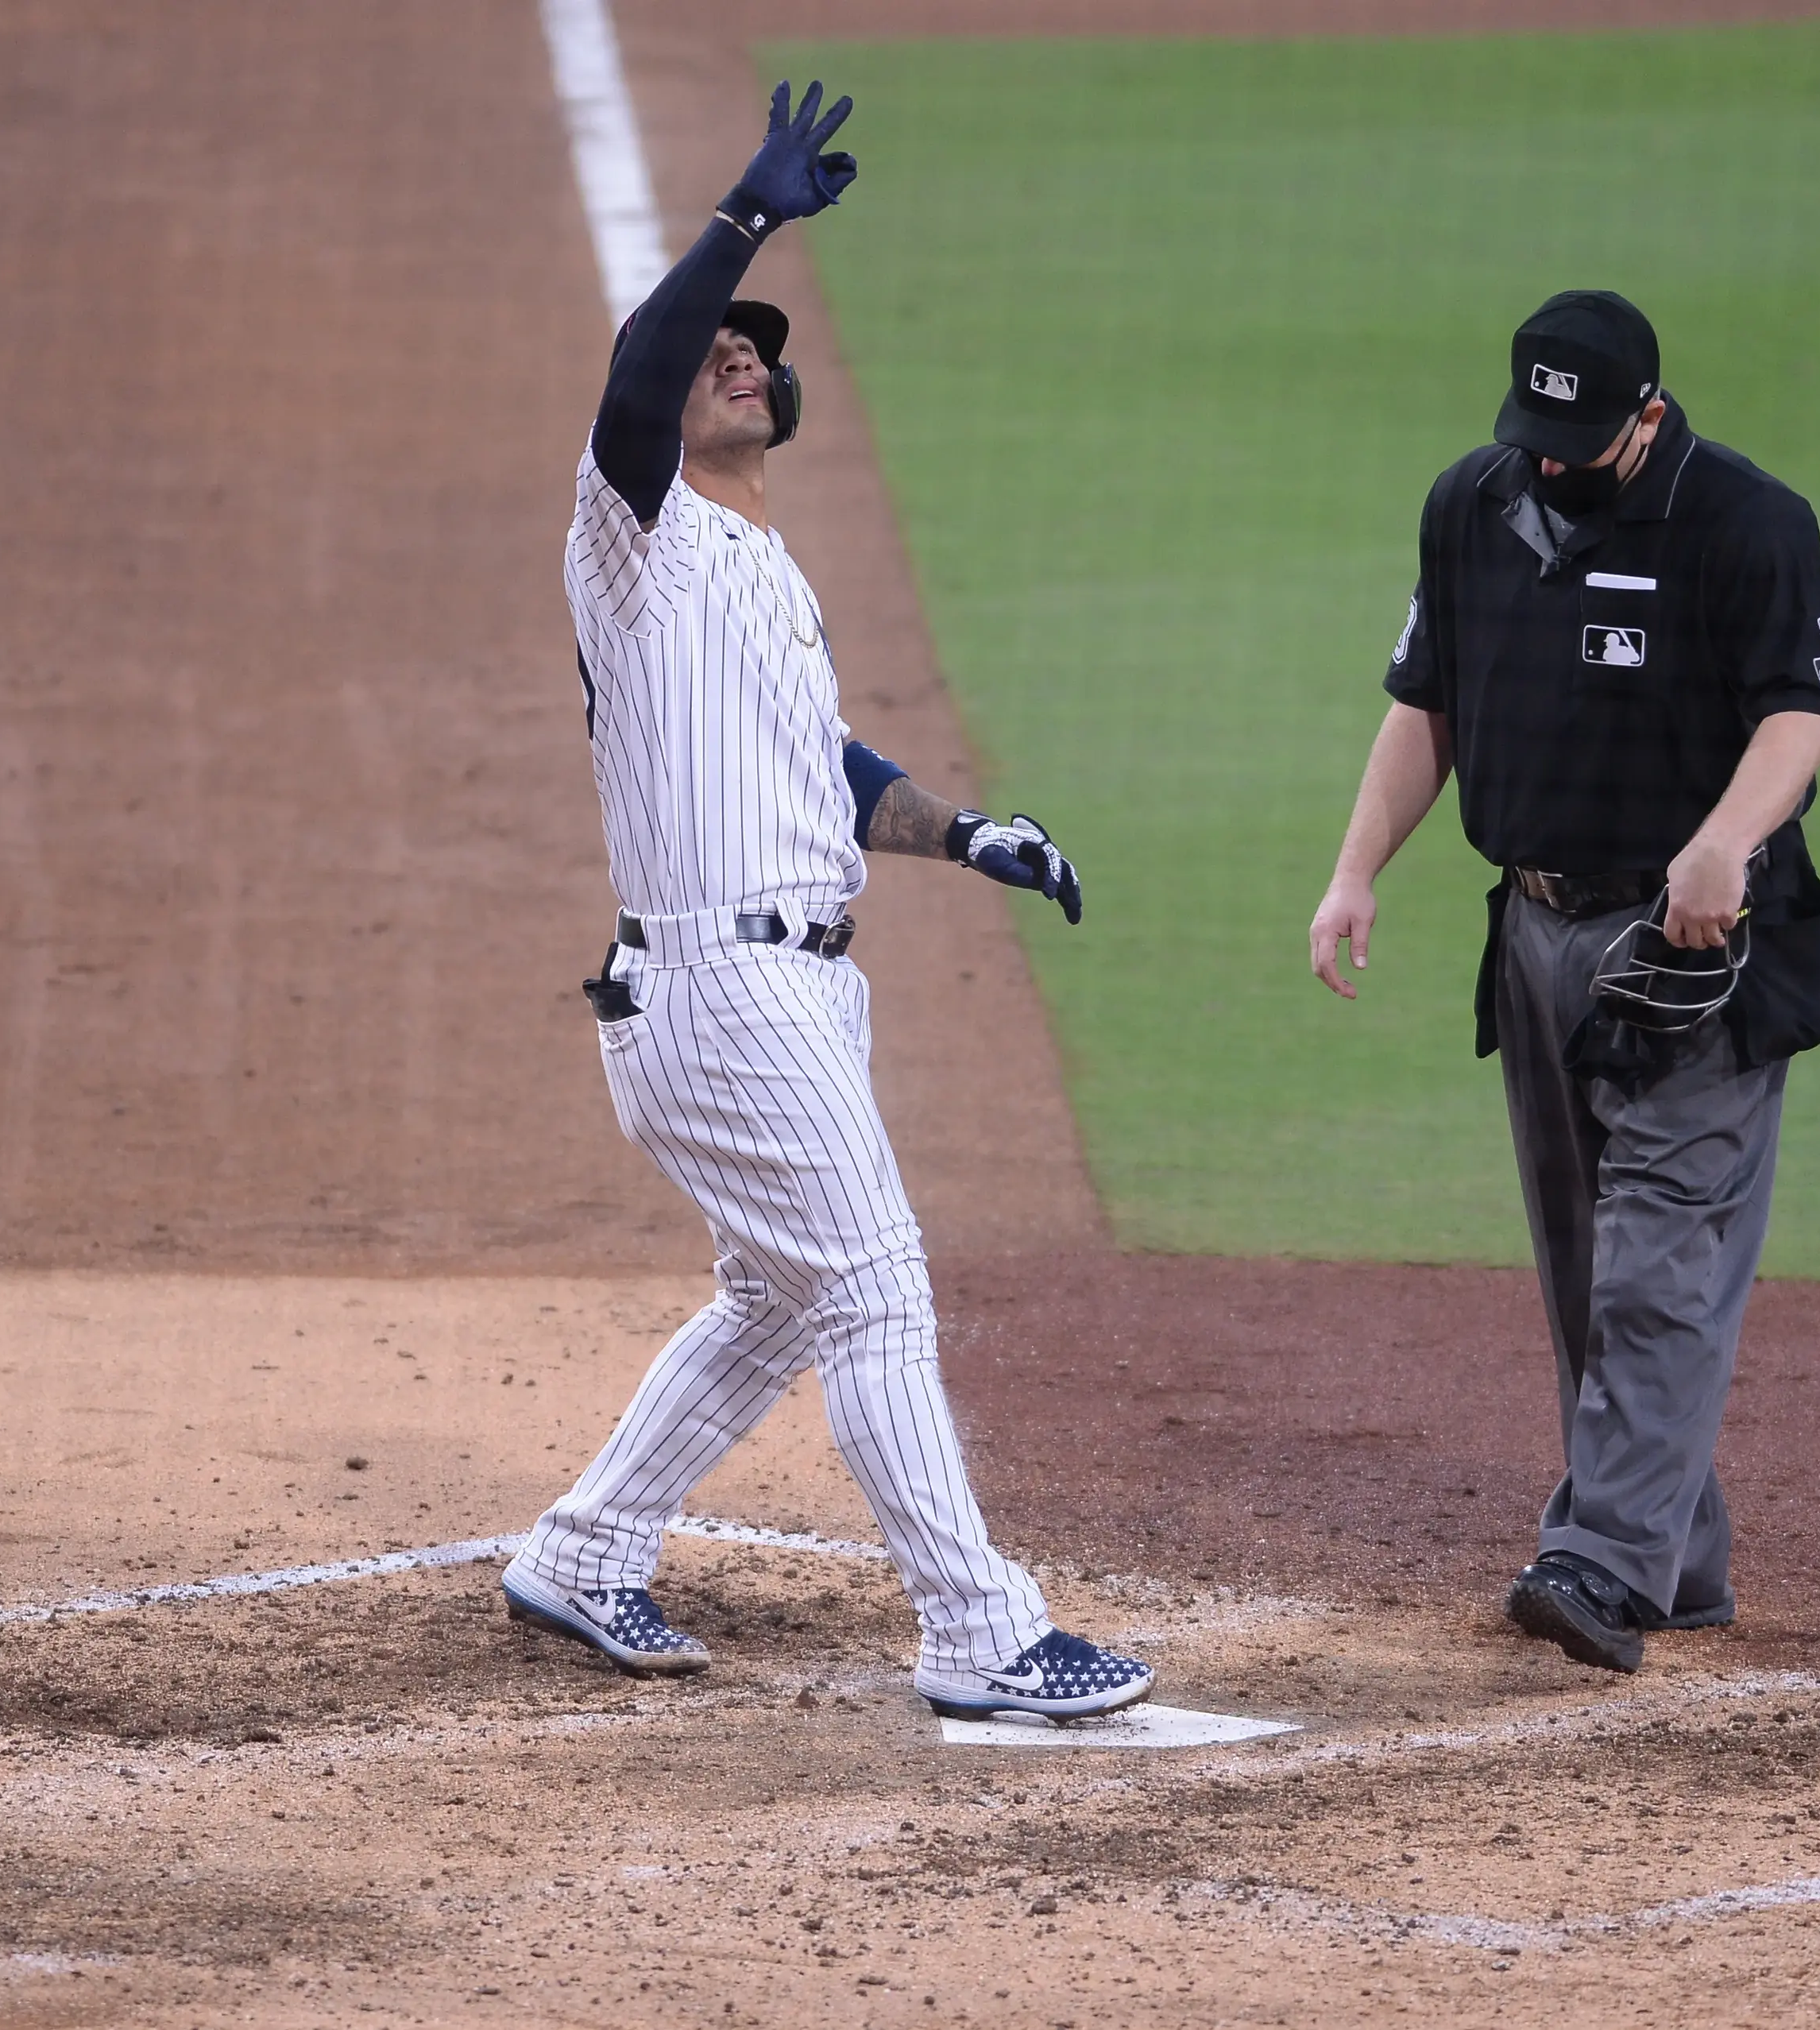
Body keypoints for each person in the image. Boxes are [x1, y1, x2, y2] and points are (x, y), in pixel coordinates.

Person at [503, 84, 1153, 1724]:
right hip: (728, 993)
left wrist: (969, 831)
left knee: (778, 1297)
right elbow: (632, 380)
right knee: (870, 1281)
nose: (739, 356)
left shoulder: (766, 575)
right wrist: (744, 217)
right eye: (719, 345)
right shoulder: (632, 532)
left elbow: (829, 767)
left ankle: (586, 1551)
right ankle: (978, 1630)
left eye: (757, 347)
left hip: (760, 990)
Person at [1308, 292, 1820, 1673]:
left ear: (1650, 415)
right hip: (1539, 937)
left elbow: (1802, 713)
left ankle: (1606, 1561)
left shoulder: (1747, 523)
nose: (1550, 459)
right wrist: (1355, 866)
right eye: (1534, 432)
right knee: (1583, 1263)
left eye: (1582, 435)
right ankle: (1672, 1555)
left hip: (1693, 953)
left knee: (1661, 1255)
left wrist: (1727, 841)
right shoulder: (1472, 505)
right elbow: (1425, 702)